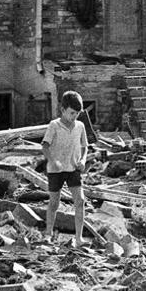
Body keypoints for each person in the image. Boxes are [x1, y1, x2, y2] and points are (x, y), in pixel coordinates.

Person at [42, 90, 89, 246]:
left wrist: (82, 160)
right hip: (56, 170)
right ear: (62, 110)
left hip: (73, 168)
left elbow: (85, 146)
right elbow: (45, 146)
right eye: (71, 113)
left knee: (80, 201)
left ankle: (79, 238)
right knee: (54, 202)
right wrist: (53, 161)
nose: (74, 116)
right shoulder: (54, 125)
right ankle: (48, 234)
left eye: (77, 113)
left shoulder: (80, 126)